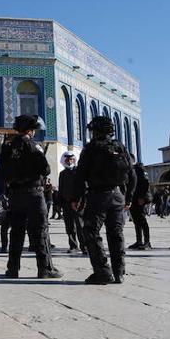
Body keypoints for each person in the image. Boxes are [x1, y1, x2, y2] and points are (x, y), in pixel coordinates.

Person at [71, 116, 134, 284]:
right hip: (117, 195)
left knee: (91, 231)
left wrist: (77, 198)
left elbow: (80, 175)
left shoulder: (91, 148)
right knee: (116, 233)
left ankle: (102, 272)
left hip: (98, 196)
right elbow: (132, 174)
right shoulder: (119, 146)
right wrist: (128, 197)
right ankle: (119, 272)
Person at [0, 115, 61, 279]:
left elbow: (1, 172)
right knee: (40, 231)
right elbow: (45, 169)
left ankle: (13, 269)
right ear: (30, 130)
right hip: (34, 195)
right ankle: (45, 269)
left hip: (15, 195)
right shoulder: (33, 146)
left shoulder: (8, 146)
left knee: (16, 233)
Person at [56, 152, 84, 253]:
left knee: (80, 226)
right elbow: (61, 189)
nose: (69, 161)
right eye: (67, 160)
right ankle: (73, 246)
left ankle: (84, 246)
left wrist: (79, 202)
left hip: (77, 204)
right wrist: (58, 204)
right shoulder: (62, 174)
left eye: (71, 159)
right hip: (66, 204)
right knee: (69, 226)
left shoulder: (79, 172)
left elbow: (83, 188)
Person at [128, 162, 151, 250]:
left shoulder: (139, 168)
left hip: (140, 198)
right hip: (133, 198)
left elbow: (146, 183)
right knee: (136, 220)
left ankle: (147, 242)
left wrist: (142, 197)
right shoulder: (130, 169)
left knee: (142, 220)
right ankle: (139, 241)